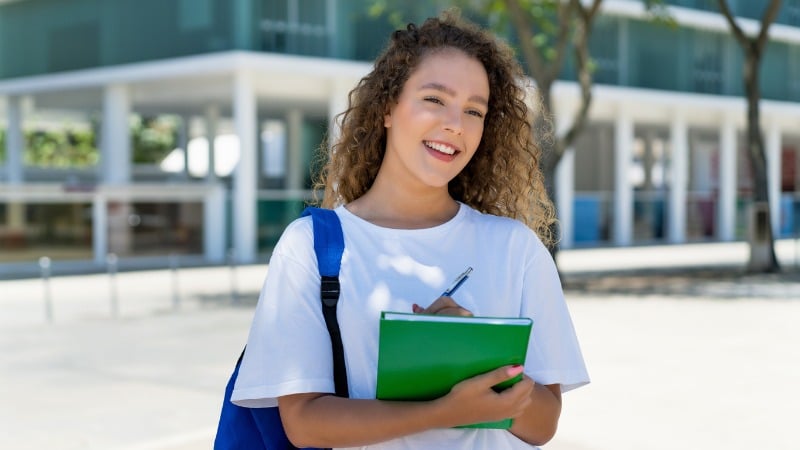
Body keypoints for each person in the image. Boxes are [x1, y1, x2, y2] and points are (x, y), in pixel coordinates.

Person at [232, 9, 589, 449]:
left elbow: (543, 424)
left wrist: (476, 354)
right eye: (435, 100)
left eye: (474, 111)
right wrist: (443, 411)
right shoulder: (311, 247)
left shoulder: (515, 248)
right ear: (387, 107)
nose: (454, 125)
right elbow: (304, 422)